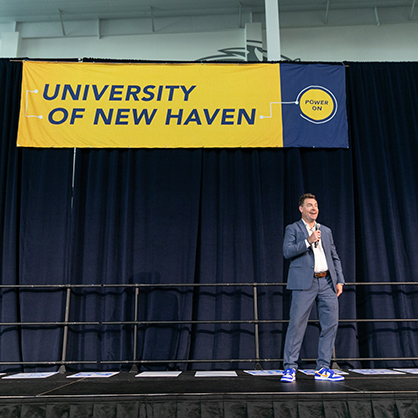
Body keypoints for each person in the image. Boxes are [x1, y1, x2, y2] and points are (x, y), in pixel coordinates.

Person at [281, 193, 345, 383]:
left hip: (326, 282)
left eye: (316, 205)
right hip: (304, 283)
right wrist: (308, 241)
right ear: (301, 209)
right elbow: (287, 251)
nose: (314, 208)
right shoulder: (292, 228)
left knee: (330, 325)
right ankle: (290, 368)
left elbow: (334, 256)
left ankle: (323, 367)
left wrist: (340, 280)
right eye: (310, 205)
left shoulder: (325, 230)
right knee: (297, 325)